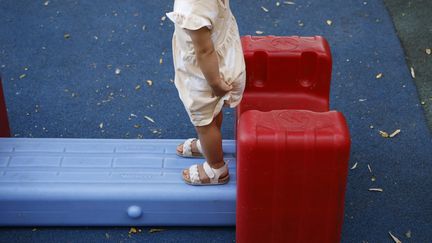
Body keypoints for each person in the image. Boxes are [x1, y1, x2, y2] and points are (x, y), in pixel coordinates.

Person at [166, 0, 246, 185]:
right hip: (222, 57)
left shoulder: (191, 7)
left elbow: (204, 51)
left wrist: (215, 82)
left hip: (205, 74)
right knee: (212, 110)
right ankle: (209, 145)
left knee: (203, 122)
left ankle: (216, 168)